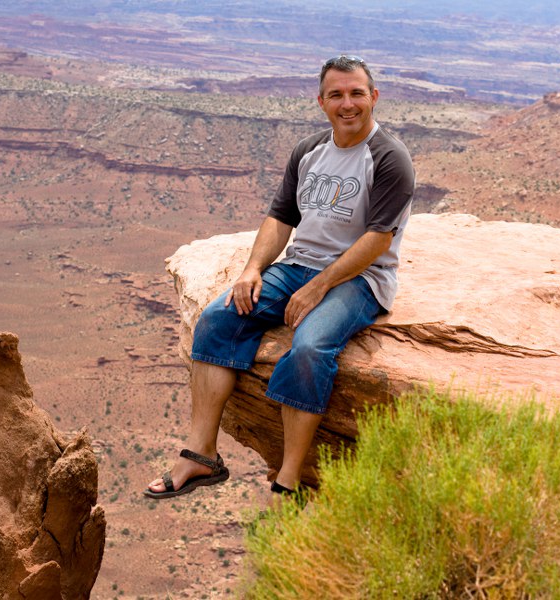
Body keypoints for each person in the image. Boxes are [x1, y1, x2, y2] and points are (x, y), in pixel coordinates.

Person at [145, 55, 414, 500]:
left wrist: (319, 286)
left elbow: (378, 240)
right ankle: (201, 456)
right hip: (296, 266)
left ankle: (288, 478)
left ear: (374, 97)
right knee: (218, 319)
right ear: (321, 101)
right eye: (336, 95)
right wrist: (253, 269)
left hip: (360, 279)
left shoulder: (389, 158)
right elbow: (280, 217)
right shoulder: (309, 151)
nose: (347, 104)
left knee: (310, 347)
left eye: (356, 93)